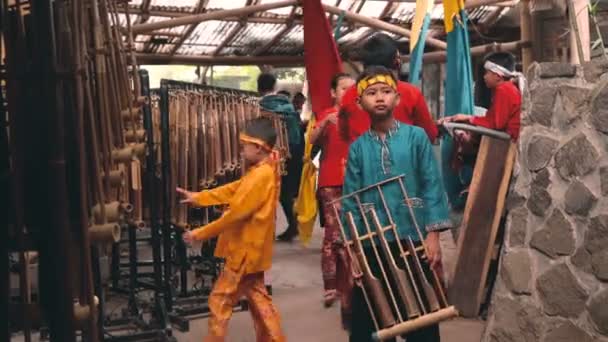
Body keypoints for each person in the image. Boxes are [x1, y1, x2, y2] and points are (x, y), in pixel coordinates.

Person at [342, 66, 451, 342]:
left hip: (412, 238)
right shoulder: (357, 148)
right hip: (372, 243)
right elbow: (351, 200)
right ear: (359, 103)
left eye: (386, 92)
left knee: (422, 315)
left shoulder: (416, 138)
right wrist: (353, 250)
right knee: (371, 317)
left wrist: (434, 234)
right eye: (371, 93)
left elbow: (432, 184)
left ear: (397, 99)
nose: (380, 98)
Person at [177, 117, 285, 342]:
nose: (241, 151)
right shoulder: (263, 170)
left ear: (258, 147)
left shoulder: (260, 176)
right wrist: (200, 197)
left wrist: (199, 234)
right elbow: (235, 189)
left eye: (244, 146)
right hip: (252, 250)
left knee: (220, 300)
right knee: (258, 299)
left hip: (244, 251)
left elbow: (235, 214)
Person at [339, 33, 438, 144]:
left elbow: (344, 134)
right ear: (396, 60)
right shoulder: (411, 93)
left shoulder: (349, 94)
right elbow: (429, 135)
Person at [309, 72, 355, 310]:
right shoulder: (326, 115)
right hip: (331, 182)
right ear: (333, 93)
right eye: (343, 88)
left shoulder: (359, 114)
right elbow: (311, 141)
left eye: (352, 88)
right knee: (332, 237)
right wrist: (326, 122)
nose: (348, 92)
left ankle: (350, 283)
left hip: (356, 182)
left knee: (353, 236)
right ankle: (330, 287)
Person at [258, 73, 304, 242]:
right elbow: (297, 135)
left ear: (259, 87)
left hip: (267, 154)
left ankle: (267, 229)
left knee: (265, 191)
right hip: (290, 154)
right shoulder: (289, 107)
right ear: (275, 86)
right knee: (285, 192)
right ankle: (292, 224)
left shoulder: (258, 107)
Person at [438, 52, 521, 141]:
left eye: (486, 73)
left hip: (509, 137)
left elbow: (496, 125)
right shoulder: (507, 88)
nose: (484, 77)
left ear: (498, 76)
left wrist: (468, 119)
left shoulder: (503, 89)